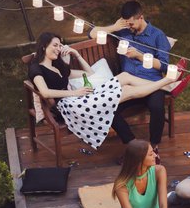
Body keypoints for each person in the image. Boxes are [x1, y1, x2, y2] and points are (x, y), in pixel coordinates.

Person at [29, 32, 175, 150]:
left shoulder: (58, 66)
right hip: (70, 106)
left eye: (60, 45)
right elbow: (45, 92)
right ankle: (167, 83)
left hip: (80, 99)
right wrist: (75, 92)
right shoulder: (36, 68)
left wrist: (76, 55)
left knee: (124, 77)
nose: (58, 49)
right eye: (55, 45)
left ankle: (166, 85)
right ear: (43, 47)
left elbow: (90, 73)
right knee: (127, 92)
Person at [90, 0, 173, 156]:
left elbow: (164, 66)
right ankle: (133, 144)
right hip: (129, 88)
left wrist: (139, 56)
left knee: (157, 108)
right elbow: (92, 33)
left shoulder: (157, 35)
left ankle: (154, 145)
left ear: (140, 17)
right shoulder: (124, 31)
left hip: (150, 83)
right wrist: (115, 27)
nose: (130, 27)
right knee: (108, 108)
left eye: (132, 24)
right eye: (126, 24)